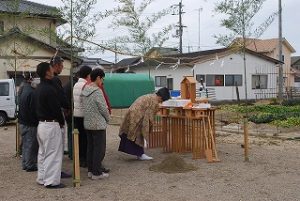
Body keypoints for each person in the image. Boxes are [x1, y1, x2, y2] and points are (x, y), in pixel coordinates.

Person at [35, 62, 65, 189]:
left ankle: (42, 177)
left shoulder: (38, 88)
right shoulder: (50, 89)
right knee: (53, 153)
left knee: (43, 153)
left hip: (41, 124)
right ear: (47, 72)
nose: (53, 70)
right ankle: (51, 181)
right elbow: (56, 109)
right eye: (51, 68)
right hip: (51, 124)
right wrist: (62, 122)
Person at [118, 87, 170, 160]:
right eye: (161, 100)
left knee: (131, 133)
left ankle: (139, 153)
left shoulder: (150, 96)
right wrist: (150, 126)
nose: (160, 102)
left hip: (131, 113)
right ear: (160, 96)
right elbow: (149, 116)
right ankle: (140, 154)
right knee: (138, 135)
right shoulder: (154, 101)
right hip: (137, 117)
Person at [82, 68, 110, 180]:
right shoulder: (97, 91)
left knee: (90, 148)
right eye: (102, 79)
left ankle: (90, 170)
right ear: (98, 78)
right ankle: (97, 173)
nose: (102, 81)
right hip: (98, 124)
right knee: (99, 149)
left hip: (88, 123)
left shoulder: (86, 90)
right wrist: (108, 118)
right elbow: (103, 108)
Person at [50, 56, 72, 178]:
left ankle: (49, 174)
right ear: (56, 65)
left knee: (48, 152)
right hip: (55, 118)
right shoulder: (55, 80)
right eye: (61, 66)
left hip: (46, 120)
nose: (62, 68)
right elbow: (61, 97)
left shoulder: (45, 82)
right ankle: (55, 174)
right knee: (57, 149)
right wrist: (67, 107)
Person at [18, 72, 39, 172]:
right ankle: (30, 164)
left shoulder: (22, 90)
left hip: (22, 121)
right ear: (31, 79)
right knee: (31, 144)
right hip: (30, 123)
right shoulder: (31, 92)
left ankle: (25, 163)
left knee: (26, 144)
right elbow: (33, 109)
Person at [73, 66, 92, 167]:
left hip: (76, 114)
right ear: (88, 75)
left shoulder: (76, 84)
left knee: (79, 139)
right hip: (83, 115)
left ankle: (80, 159)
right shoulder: (85, 85)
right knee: (85, 139)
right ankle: (84, 160)